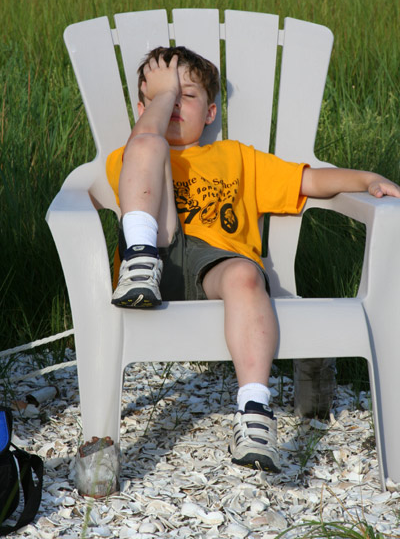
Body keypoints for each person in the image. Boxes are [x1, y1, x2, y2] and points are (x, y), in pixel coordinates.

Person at [106, 46, 400, 473]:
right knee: (148, 145)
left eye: (186, 95)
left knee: (245, 274)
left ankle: (254, 411)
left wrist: (368, 178)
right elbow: (146, 140)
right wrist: (163, 100)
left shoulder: (236, 158)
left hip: (217, 268)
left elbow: (309, 180)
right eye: (162, 96)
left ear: (211, 112)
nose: (174, 104)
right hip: (156, 253)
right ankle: (139, 260)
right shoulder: (134, 153)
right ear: (143, 109)